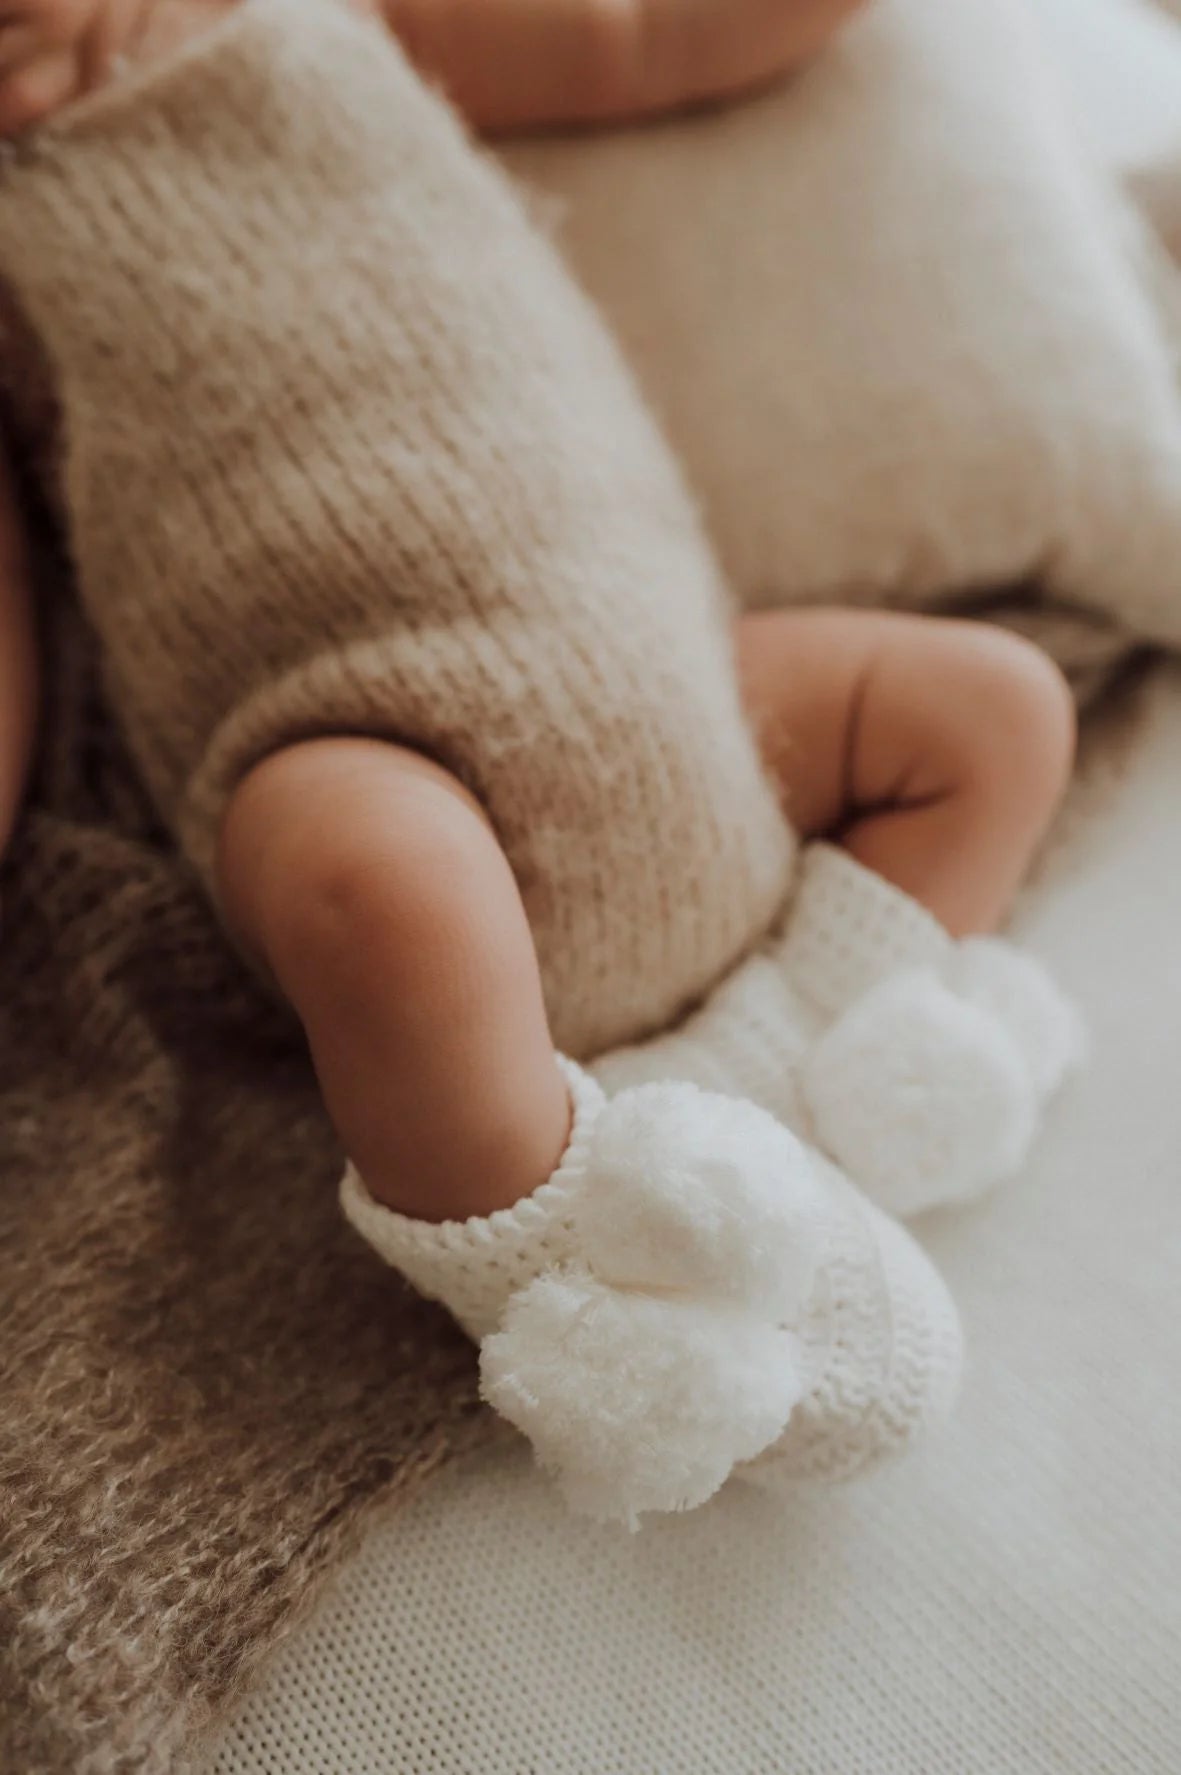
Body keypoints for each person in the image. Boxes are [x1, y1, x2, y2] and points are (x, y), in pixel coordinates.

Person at [0, 0, 1079, 1523]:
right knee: (376, 889)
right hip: (358, 740)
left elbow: (638, 40)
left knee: (996, 707)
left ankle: (771, 1081)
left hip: (691, 702)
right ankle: (579, 1279)